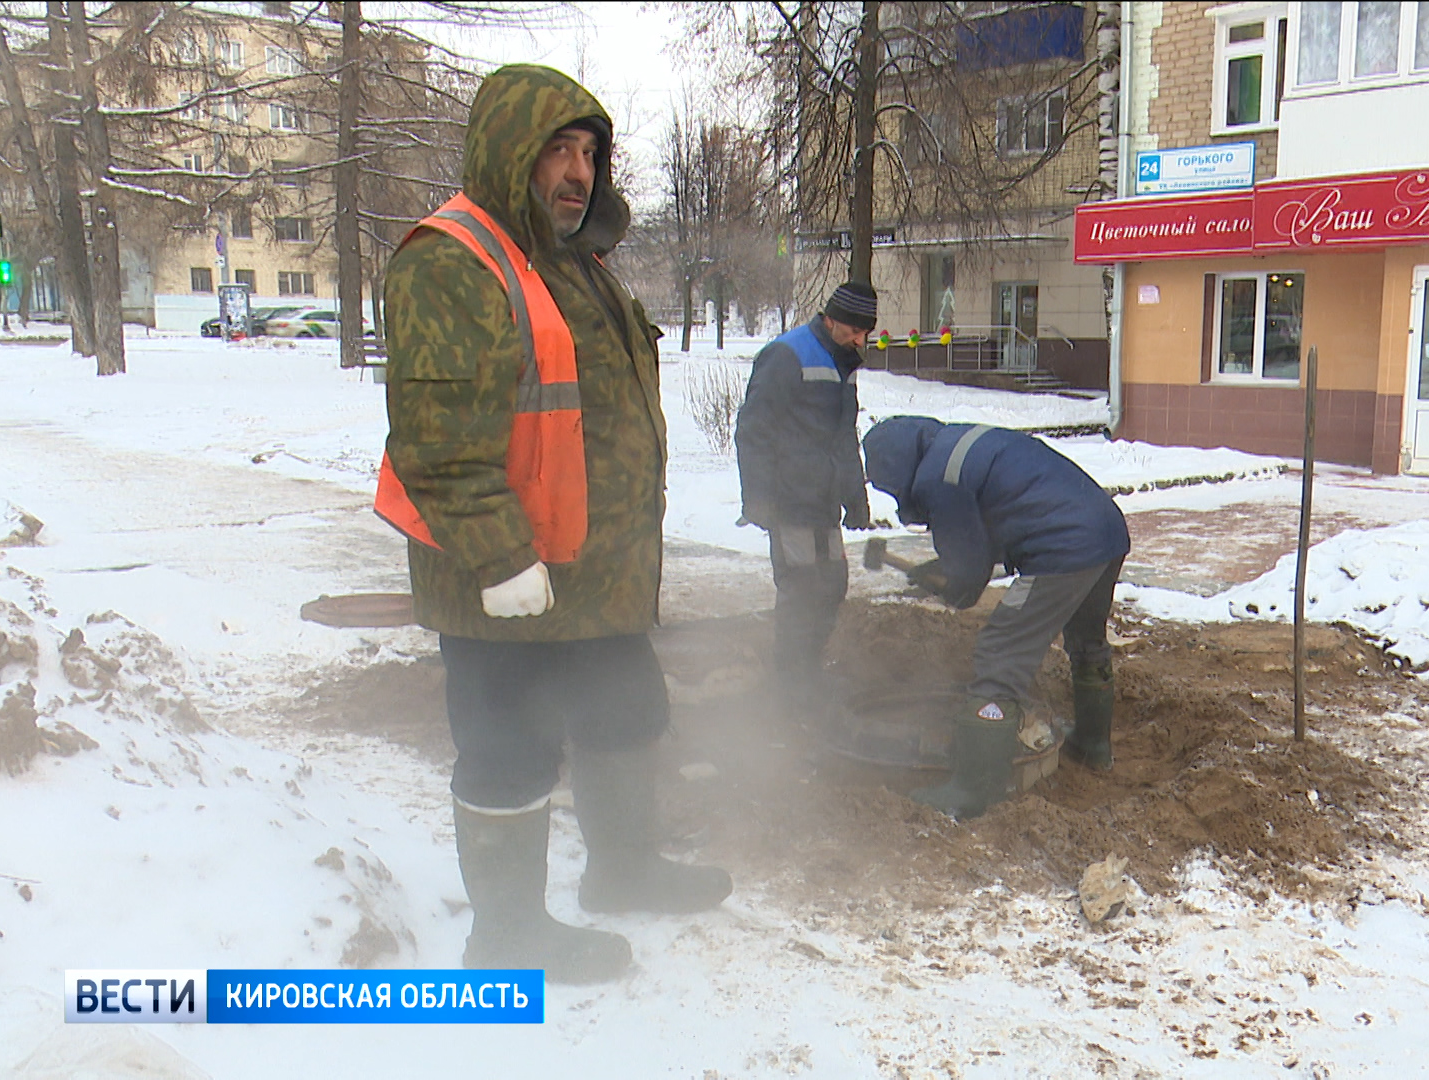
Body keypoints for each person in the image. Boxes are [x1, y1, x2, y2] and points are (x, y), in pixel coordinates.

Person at [375, 64, 730, 986]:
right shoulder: (453, 259)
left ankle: (622, 869)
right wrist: (498, 554)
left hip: (594, 574)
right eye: (557, 151)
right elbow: (436, 434)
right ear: (509, 153)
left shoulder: (576, 263)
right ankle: (507, 933)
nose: (578, 172)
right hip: (503, 577)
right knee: (509, 746)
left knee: (624, 713)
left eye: (588, 153)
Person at [861, 416, 1130, 820]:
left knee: (1000, 653)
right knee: (1086, 642)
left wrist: (947, 581)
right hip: (1106, 531)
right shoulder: (956, 445)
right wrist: (941, 567)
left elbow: (968, 581)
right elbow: (995, 533)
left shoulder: (938, 479)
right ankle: (1092, 745)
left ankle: (973, 789)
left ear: (895, 470)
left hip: (1063, 549)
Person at [733, 282, 877, 707]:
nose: (859, 339)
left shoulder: (842, 362)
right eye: (852, 329)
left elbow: (842, 436)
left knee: (832, 586)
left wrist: (855, 496)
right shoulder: (787, 354)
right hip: (789, 500)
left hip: (824, 503)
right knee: (801, 590)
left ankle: (808, 671)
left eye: (864, 332)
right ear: (830, 318)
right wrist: (756, 497)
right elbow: (753, 430)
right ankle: (792, 686)